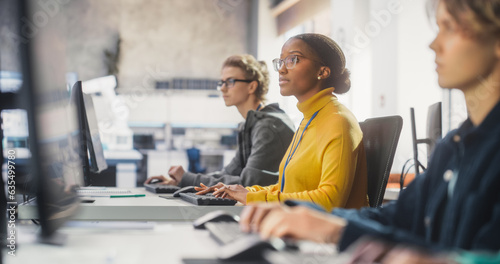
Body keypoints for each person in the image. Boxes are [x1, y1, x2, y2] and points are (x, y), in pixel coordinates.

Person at [238, 0, 500, 258]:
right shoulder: (453, 147)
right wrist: (320, 222)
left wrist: (333, 229)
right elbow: (398, 217)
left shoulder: (336, 120)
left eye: (450, 27)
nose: (433, 44)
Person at [201, 33, 369, 211]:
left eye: (293, 59)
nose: (281, 69)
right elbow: (286, 188)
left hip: (325, 235)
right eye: (281, 62)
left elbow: (329, 201)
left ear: (322, 71)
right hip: (296, 225)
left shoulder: (338, 121)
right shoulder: (309, 120)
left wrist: (252, 196)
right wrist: (243, 191)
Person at [144, 54, 294, 188]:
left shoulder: (268, 126)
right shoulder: (250, 124)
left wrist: (188, 178)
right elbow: (229, 172)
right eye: (221, 82)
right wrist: (182, 181)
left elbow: (248, 185)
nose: (222, 88)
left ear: (252, 86)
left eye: (230, 81)